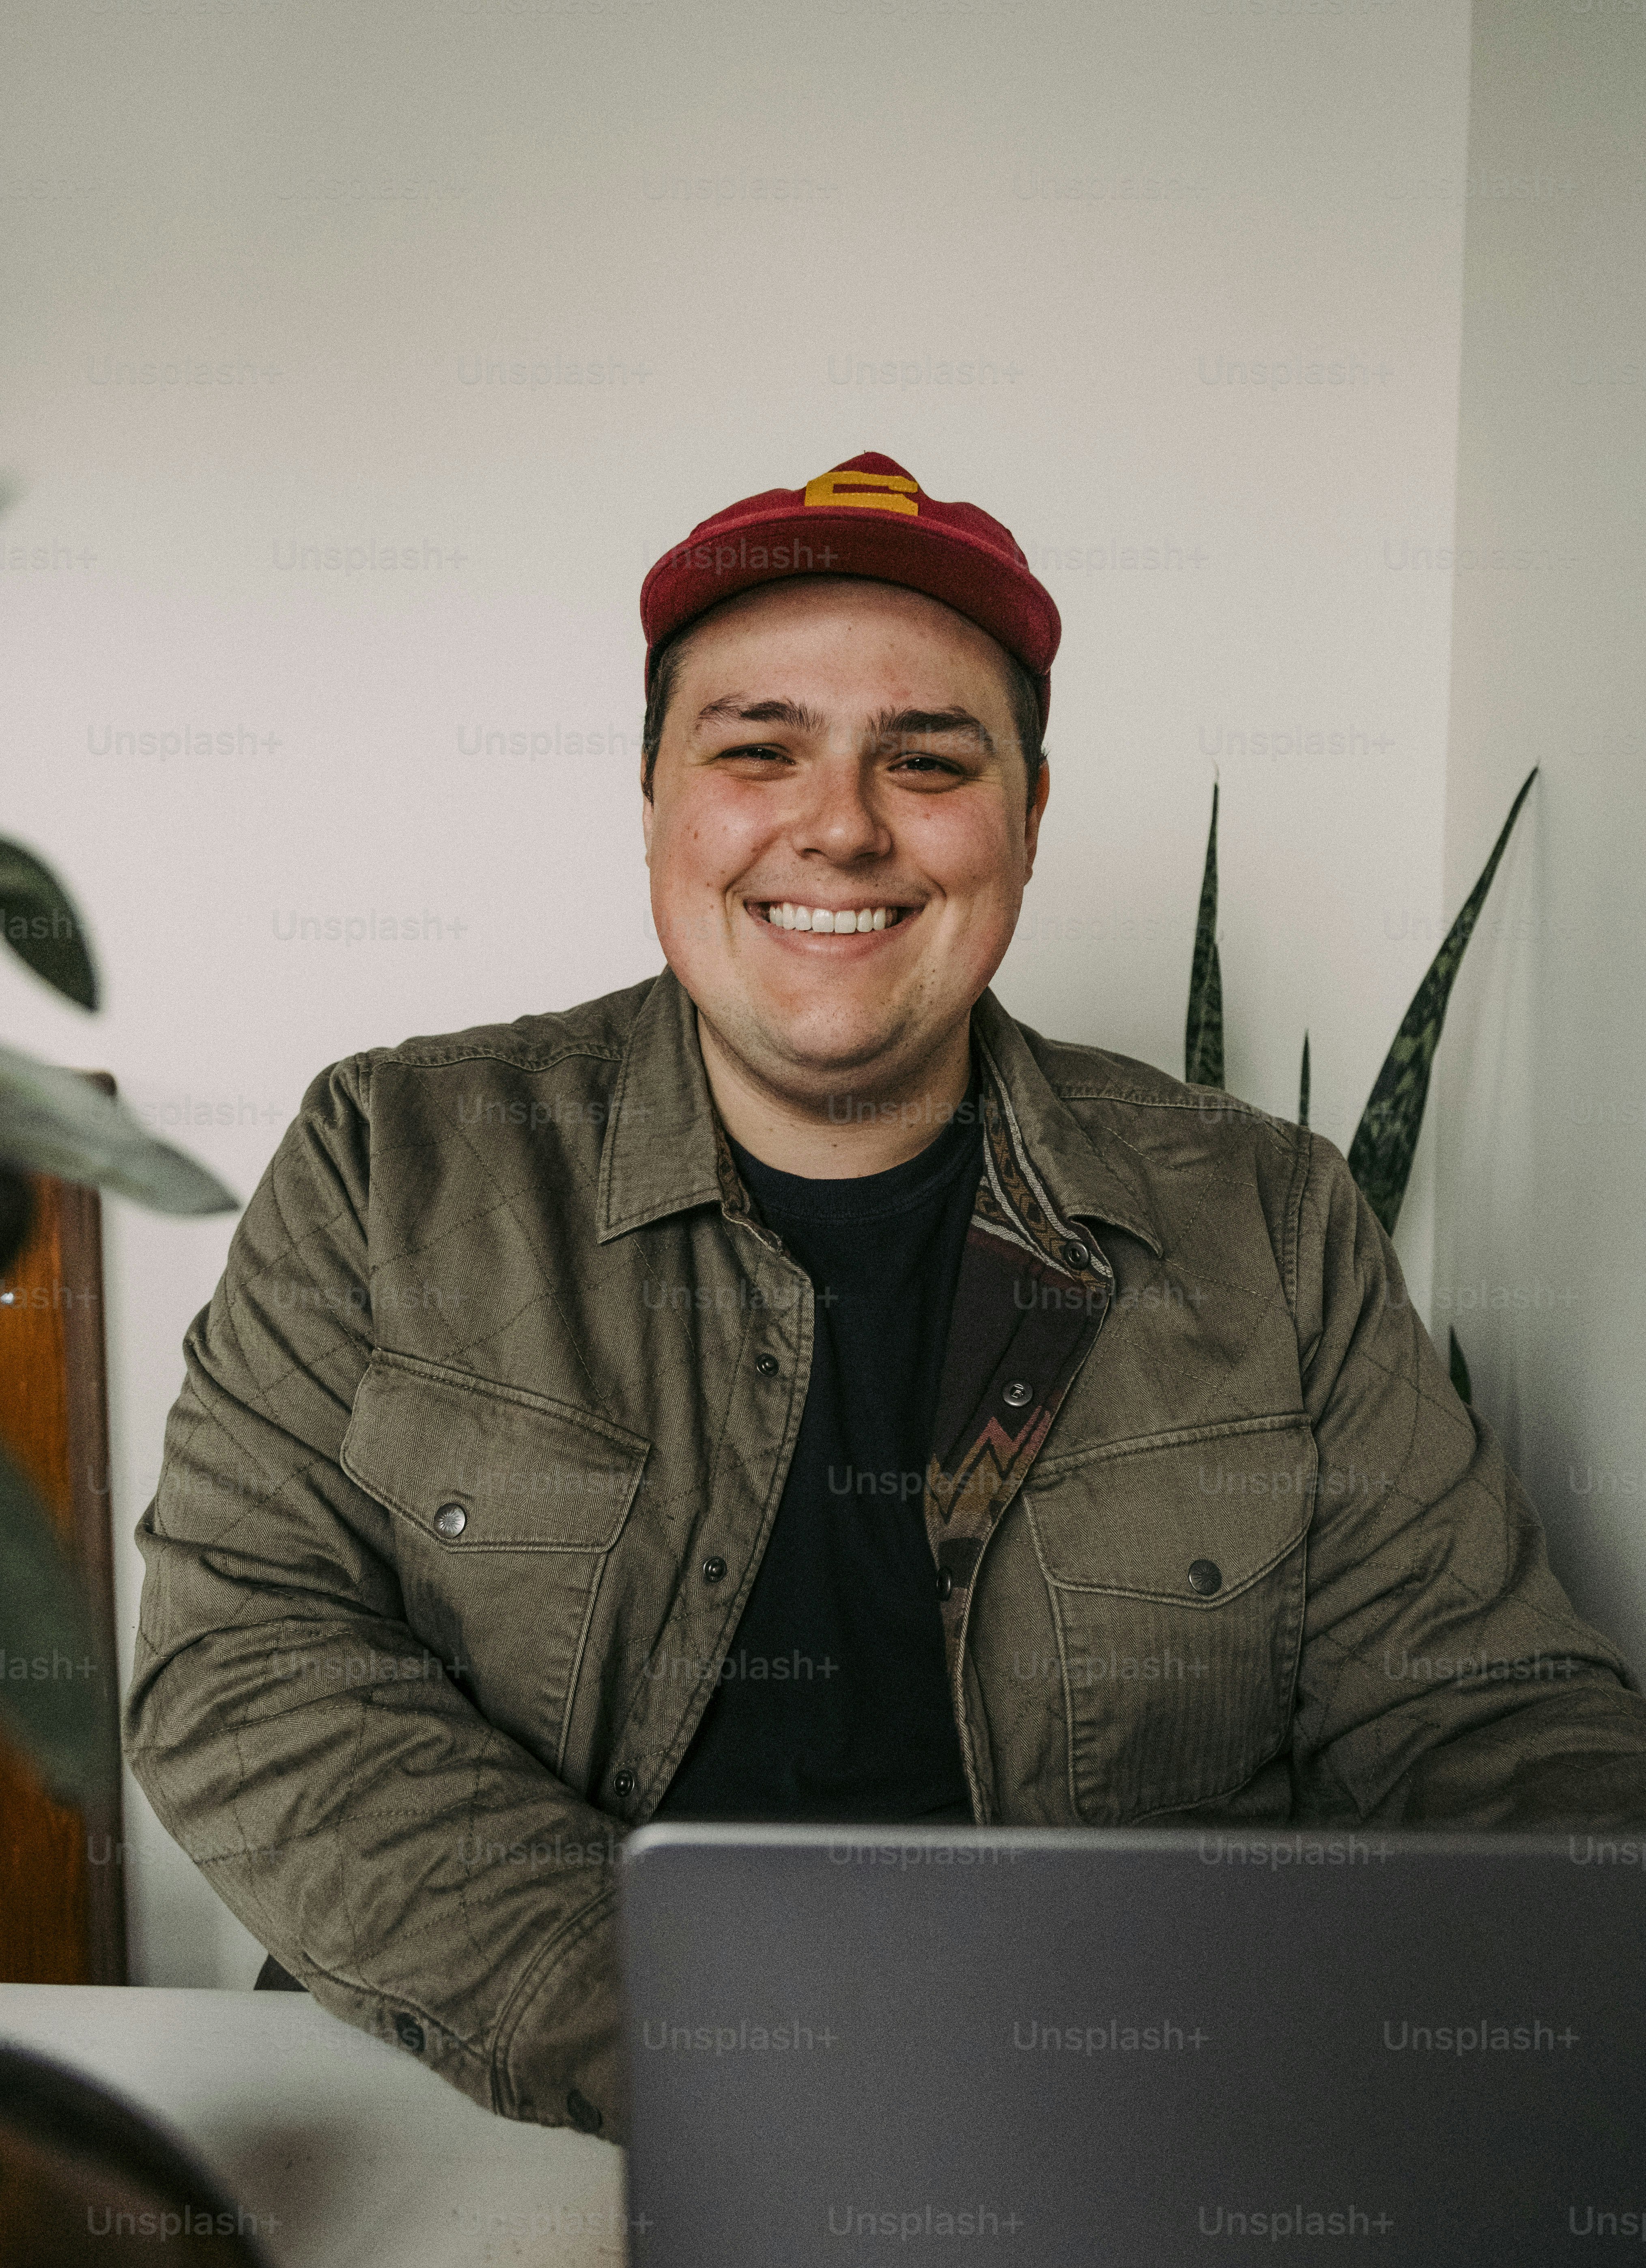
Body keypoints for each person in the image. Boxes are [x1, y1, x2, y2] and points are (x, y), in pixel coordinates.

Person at [125, 450, 1646, 2144]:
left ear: (1028, 819)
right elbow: (241, 1667)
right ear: (654, 803)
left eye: (925, 761)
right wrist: (702, 2030)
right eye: (755, 750)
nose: (840, 824)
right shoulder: (391, 1157)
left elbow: (1484, 1718)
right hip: (520, 2111)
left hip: (1116, 2128)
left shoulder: (1275, 1223)